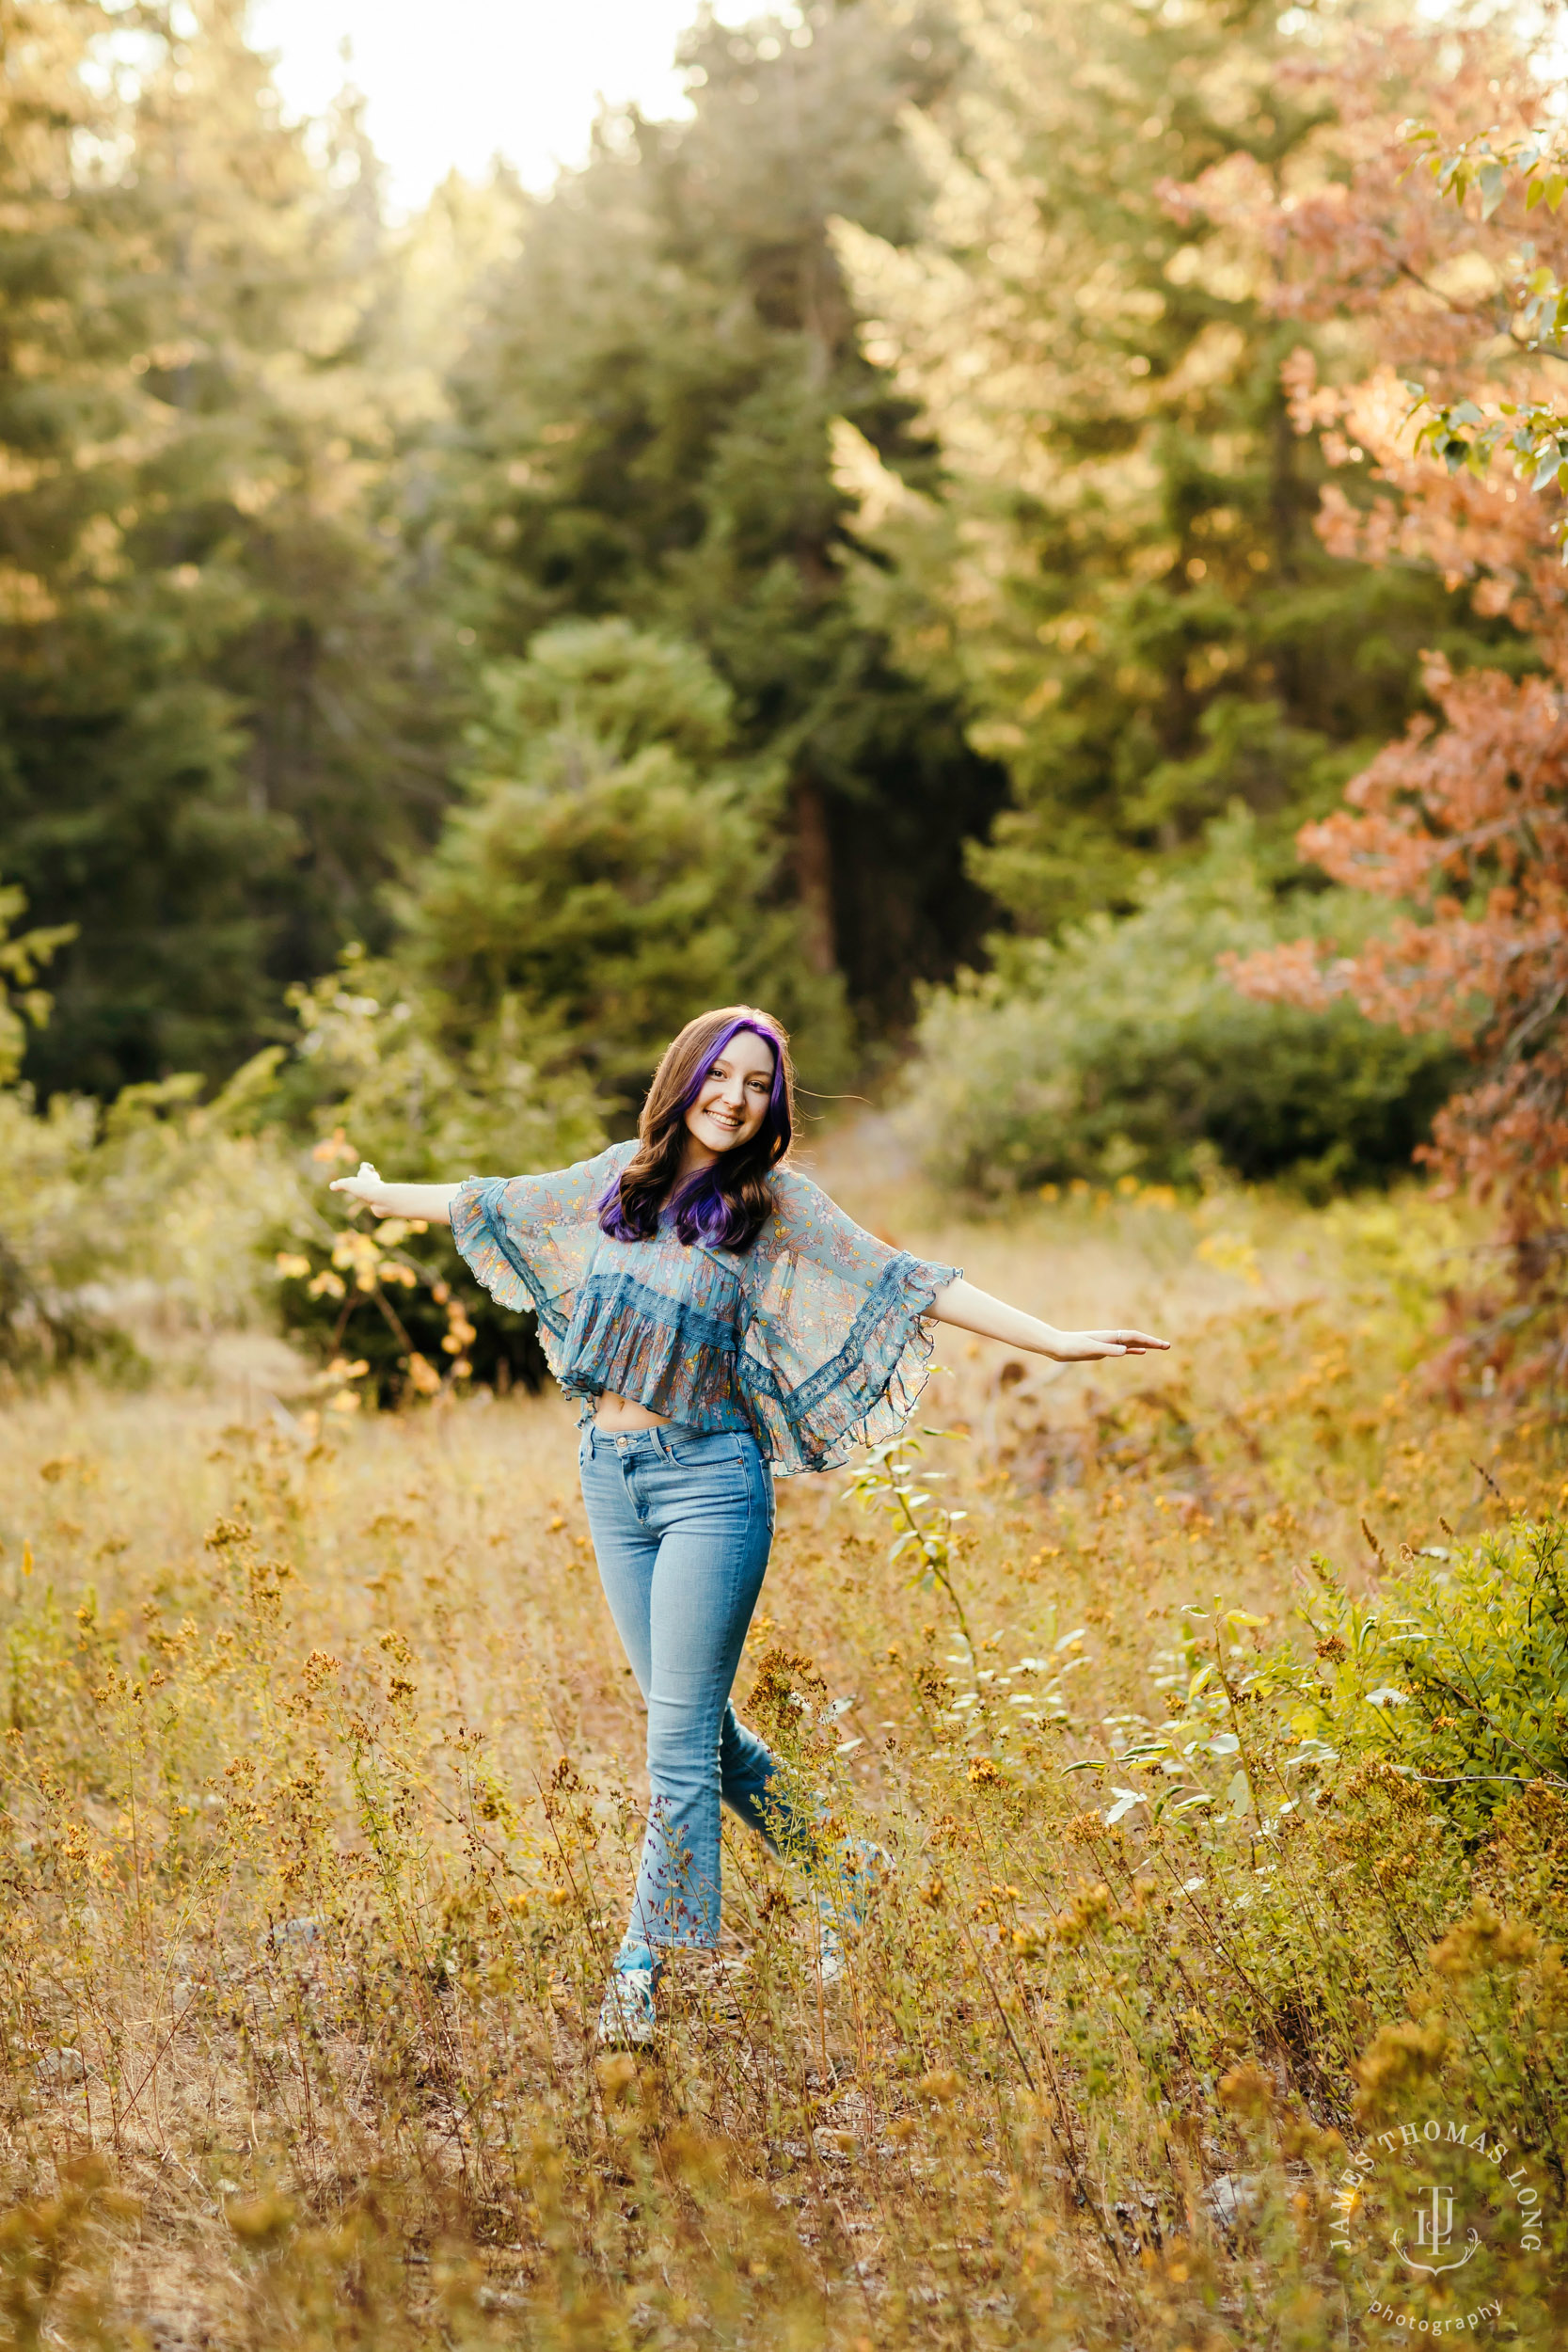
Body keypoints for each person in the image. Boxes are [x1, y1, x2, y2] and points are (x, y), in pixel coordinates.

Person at [330, 1004, 1167, 2043]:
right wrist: (375, 1194)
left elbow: (907, 1280)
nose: (733, 1097)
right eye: (719, 1077)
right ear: (683, 1080)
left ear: (771, 1103)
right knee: (697, 1730)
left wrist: (1055, 1342)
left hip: (709, 1488)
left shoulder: (773, 1207)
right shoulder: (619, 1182)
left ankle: (640, 1973)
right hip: (609, 1477)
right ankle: (847, 1870)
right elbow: (492, 1199)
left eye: (756, 1084)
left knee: (671, 1748)